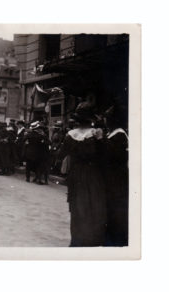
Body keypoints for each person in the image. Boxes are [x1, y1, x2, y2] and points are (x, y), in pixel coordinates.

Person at [58, 102, 107, 247]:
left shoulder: (70, 135)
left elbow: (61, 154)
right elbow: (104, 156)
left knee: (76, 208)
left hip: (76, 175)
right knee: (93, 207)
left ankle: (76, 241)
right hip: (93, 175)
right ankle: (90, 241)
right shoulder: (96, 134)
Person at [103, 107, 129, 246]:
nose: (104, 121)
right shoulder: (113, 134)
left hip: (117, 179)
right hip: (112, 178)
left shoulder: (119, 136)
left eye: (106, 118)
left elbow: (115, 156)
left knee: (116, 209)